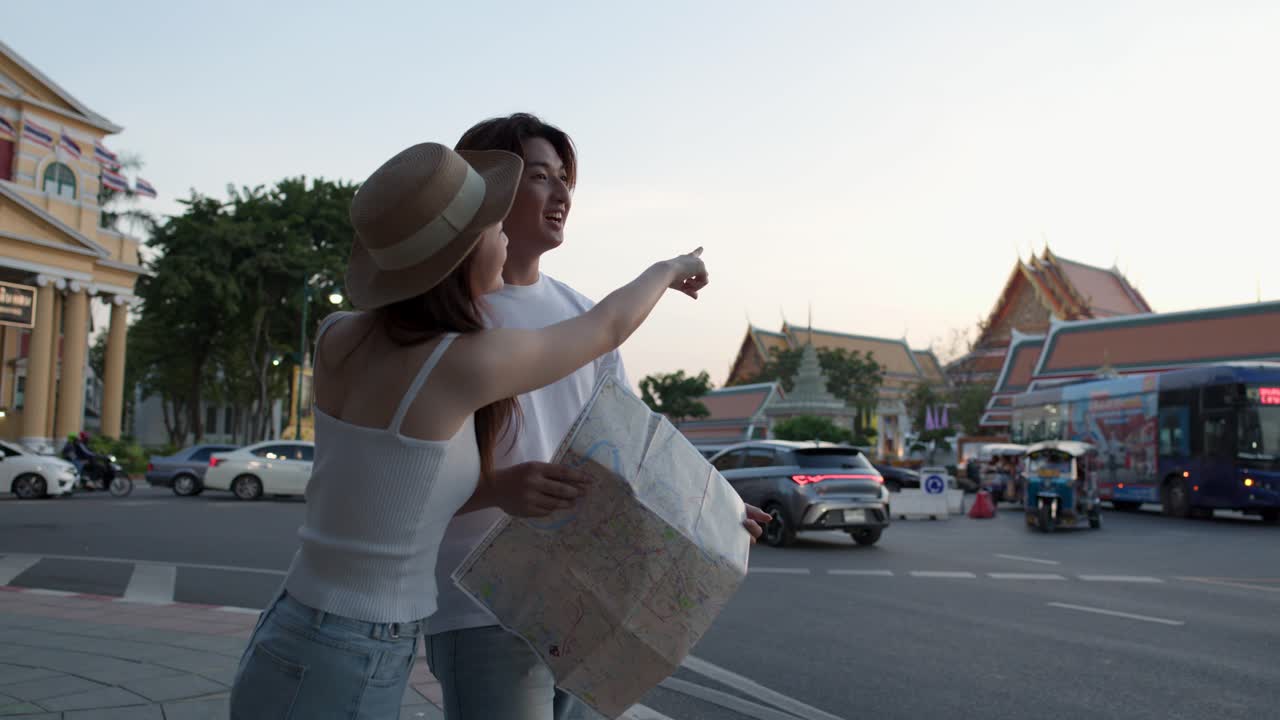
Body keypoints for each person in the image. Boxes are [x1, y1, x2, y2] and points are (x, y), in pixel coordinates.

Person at [228, 142, 758, 718]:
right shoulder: (459, 364)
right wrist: (671, 267)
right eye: (492, 229)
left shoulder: (338, 335)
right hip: (354, 652)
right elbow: (606, 326)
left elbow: (395, 486)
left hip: (299, 626)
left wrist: (501, 489)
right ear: (459, 254)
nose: (503, 238)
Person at [423, 114, 769, 720]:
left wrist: (721, 505)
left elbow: (632, 447)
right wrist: (496, 489)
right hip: (482, 604)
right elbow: (405, 474)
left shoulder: (580, 314)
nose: (561, 196)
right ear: (487, 189)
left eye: (566, 180)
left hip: (584, 597)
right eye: (539, 177)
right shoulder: (443, 324)